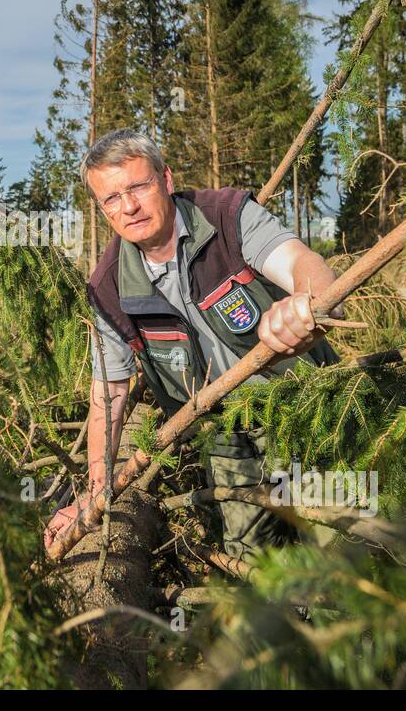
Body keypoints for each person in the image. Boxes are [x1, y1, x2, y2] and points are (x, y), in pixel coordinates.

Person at [43, 129, 343, 562]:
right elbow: (108, 393)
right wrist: (94, 494)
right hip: (223, 434)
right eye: (110, 199)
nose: (127, 207)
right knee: (254, 558)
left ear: (165, 180)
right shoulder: (108, 286)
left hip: (305, 405)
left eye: (137, 187)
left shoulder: (226, 217)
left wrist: (303, 304)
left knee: (339, 538)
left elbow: (304, 263)